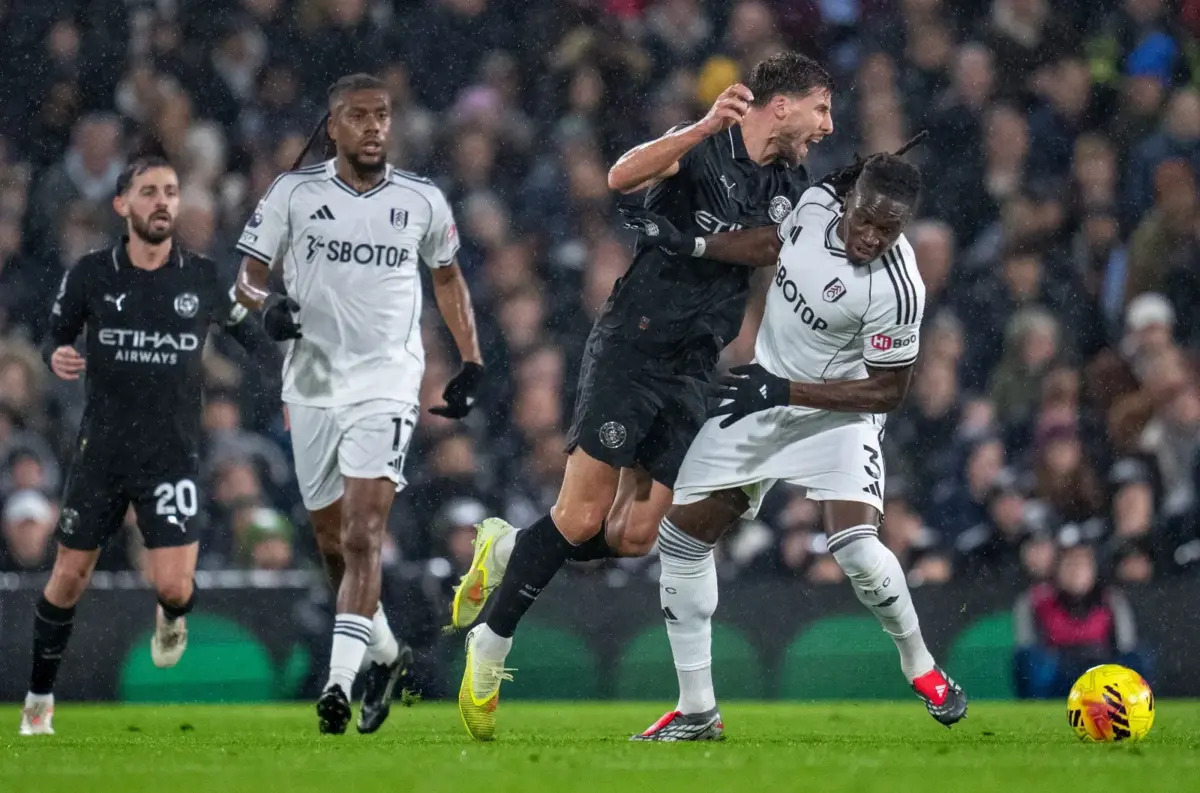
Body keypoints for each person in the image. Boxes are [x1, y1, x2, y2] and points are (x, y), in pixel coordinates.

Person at [455, 52, 834, 741]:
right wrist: (695, 128)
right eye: (821, 109)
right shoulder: (703, 143)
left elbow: (773, 249)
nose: (827, 126)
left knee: (635, 535)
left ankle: (508, 549)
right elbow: (620, 177)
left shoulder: (790, 181)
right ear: (782, 104)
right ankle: (490, 643)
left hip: (696, 362)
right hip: (634, 343)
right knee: (579, 515)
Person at [620, 152, 968, 738]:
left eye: (889, 230)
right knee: (680, 539)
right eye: (866, 220)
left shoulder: (899, 288)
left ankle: (923, 668)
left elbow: (888, 390)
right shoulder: (812, 204)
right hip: (763, 395)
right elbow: (768, 245)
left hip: (836, 414)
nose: (871, 238)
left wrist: (784, 387)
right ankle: (698, 710)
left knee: (854, 548)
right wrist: (693, 244)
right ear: (850, 199)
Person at [234, 73, 484, 735]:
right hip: (311, 383)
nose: (374, 127)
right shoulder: (295, 192)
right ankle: (389, 656)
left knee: (364, 531)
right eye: (360, 116)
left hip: (387, 382)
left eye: (383, 116)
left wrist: (472, 356)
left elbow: (450, 277)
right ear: (334, 124)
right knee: (333, 545)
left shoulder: (421, 199)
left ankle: (338, 685)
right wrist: (271, 306)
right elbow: (248, 277)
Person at [20, 154, 270, 736]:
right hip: (102, 452)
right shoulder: (90, 273)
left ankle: (171, 615)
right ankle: (38, 699)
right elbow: (53, 335)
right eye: (150, 191)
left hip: (172, 455)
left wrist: (288, 353)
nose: (163, 202)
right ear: (123, 205)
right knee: (68, 578)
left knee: (176, 586)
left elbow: (251, 336)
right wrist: (54, 353)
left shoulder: (203, 276)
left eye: (172, 192)